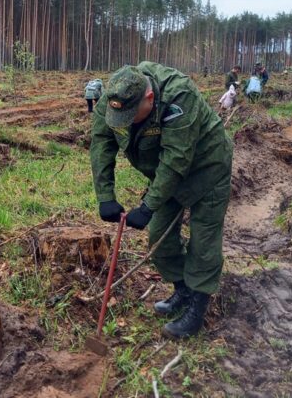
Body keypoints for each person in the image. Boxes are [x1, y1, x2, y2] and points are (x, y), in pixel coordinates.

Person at [90, 62, 233, 338]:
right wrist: (105, 196)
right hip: (165, 174)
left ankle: (197, 306)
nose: (127, 122)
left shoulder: (179, 97)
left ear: (150, 98)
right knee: (159, 236)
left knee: (203, 240)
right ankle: (183, 290)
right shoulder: (115, 97)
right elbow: (101, 142)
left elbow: (176, 160)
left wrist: (147, 206)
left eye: (133, 116)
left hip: (207, 167)